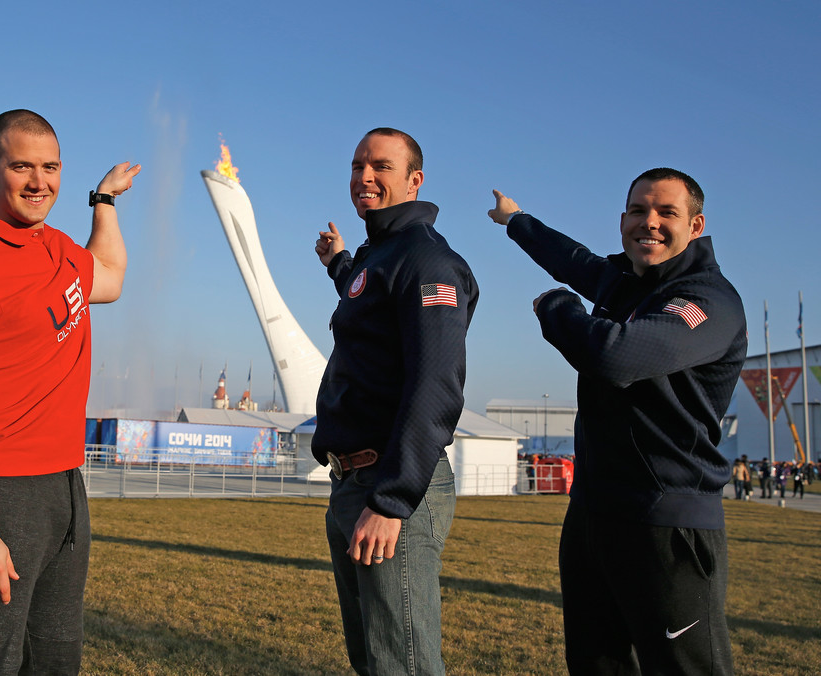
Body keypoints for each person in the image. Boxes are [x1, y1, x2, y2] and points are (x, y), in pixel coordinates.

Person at [0, 109, 140, 674]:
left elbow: (108, 275)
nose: (39, 183)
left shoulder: (54, 246)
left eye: (50, 167)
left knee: (53, 657)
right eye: (21, 167)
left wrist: (103, 202)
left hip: (62, 483)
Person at [489, 168, 746, 675]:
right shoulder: (625, 279)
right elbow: (574, 260)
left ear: (696, 226)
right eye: (637, 210)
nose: (649, 222)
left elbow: (615, 357)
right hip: (591, 515)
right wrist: (515, 221)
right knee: (596, 663)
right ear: (622, 219)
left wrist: (556, 306)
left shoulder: (707, 301)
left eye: (666, 212)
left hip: (665, 524)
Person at [312, 128, 478, 675]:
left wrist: (392, 501)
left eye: (381, 167)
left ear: (415, 180)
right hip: (354, 481)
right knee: (374, 657)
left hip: (390, 484)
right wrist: (339, 262)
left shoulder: (427, 262)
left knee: (400, 664)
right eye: (358, 165)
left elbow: (435, 385)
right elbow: (370, 309)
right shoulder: (379, 255)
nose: (364, 177)